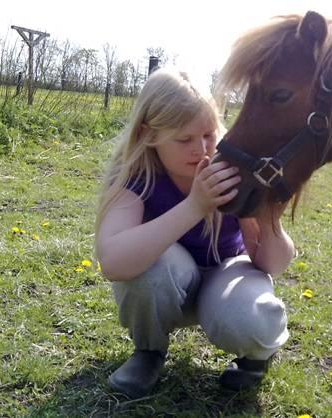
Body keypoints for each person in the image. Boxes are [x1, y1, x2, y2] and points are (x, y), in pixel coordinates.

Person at [95, 67, 295, 399]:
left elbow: (273, 264)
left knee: (253, 320)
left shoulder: (235, 168)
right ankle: (149, 352)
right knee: (149, 268)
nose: (201, 149)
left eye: (209, 135)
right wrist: (195, 205)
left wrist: (266, 216)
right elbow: (113, 262)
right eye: (184, 139)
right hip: (170, 286)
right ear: (148, 134)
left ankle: (255, 356)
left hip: (228, 275)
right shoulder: (135, 175)